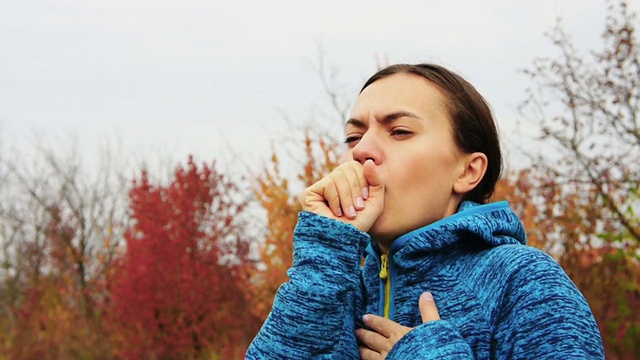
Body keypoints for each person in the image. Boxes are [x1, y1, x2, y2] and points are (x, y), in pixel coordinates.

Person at [246, 63, 604, 359]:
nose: (362, 150)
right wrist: (324, 252)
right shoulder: (335, 289)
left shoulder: (523, 281)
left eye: (399, 131)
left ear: (467, 172)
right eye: (354, 137)